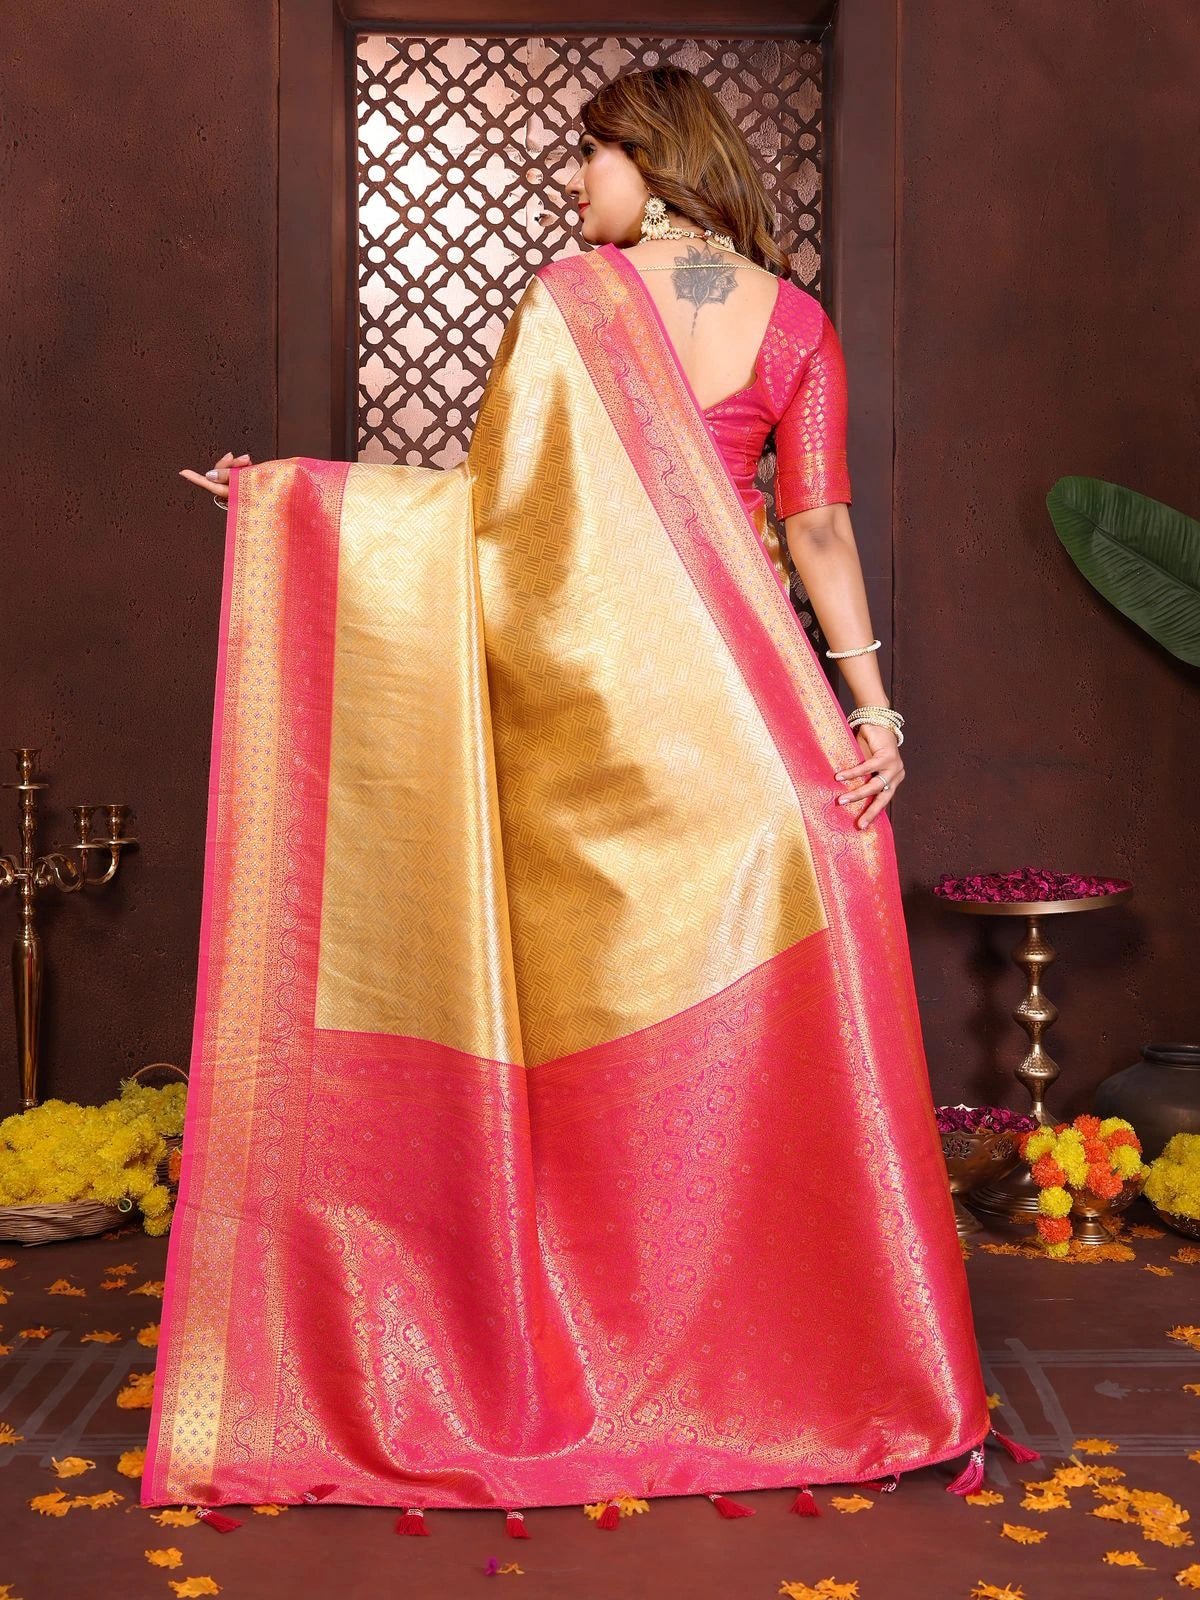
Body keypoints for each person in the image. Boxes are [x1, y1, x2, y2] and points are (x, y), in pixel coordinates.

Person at [150, 66, 1030, 1528]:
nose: (575, 189)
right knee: (760, 1065)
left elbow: (496, 533)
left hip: (603, 761)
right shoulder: (798, 322)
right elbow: (814, 525)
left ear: (645, 159)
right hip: (762, 747)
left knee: (579, 1046)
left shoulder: (575, 301)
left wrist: (295, 504)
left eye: (589, 160)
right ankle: (788, 1371)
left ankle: (607, 1347)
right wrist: (869, 712)